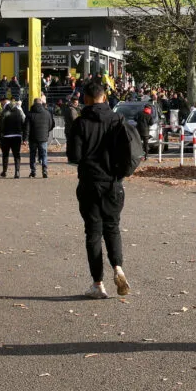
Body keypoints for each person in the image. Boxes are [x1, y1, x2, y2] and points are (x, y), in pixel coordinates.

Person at [66, 81, 131, 299]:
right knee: (112, 227)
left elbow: (74, 156)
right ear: (104, 97)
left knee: (93, 233)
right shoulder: (117, 119)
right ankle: (118, 267)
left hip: (90, 182)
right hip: (113, 182)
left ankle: (98, 283)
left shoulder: (80, 123)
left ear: (85, 99)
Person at [26, 95, 55, 179]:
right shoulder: (47, 113)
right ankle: (44, 171)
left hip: (33, 138)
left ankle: (33, 171)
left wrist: (25, 138)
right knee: (44, 154)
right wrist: (46, 131)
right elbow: (51, 124)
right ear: (41, 103)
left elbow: (27, 127)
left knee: (32, 154)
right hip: (43, 137)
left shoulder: (30, 114)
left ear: (33, 103)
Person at [0, 101, 25, 178]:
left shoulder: (4, 112)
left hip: (6, 136)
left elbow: (0, 124)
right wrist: (21, 131)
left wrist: (2, 132)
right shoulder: (19, 112)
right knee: (16, 154)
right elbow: (23, 122)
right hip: (17, 135)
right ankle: (17, 172)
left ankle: (4, 171)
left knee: (5, 154)